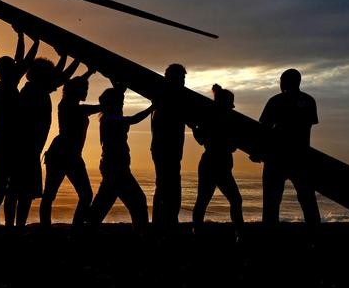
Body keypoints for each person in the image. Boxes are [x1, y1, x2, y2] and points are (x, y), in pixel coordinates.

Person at [6, 52, 80, 227]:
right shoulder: (33, 91)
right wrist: (70, 57)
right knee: (18, 192)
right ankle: (12, 228)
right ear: (42, 76)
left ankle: (16, 228)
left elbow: (59, 77)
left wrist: (69, 58)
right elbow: (60, 77)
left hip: (30, 149)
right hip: (24, 148)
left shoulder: (36, 89)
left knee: (23, 193)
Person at [0, 28, 39, 228]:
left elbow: (20, 60)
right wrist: (34, 42)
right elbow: (24, 62)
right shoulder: (5, 86)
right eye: (12, 67)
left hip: (0, 142)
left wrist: (21, 36)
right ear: (7, 71)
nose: (16, 67)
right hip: (1, 143)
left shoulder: (5, 84)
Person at [257, 68, 320, 229]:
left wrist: (258, 152)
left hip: (276, 158)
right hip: (301, 156)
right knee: (308, 200)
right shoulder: (309, 100)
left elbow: (263, 129)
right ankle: (315, 235)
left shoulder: (276, 101)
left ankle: (270, 235)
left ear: (284, 82)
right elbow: (309, 125)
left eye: (281, 81)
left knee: (271, 202)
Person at [39, 68, 100, 226]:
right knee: (50, 195)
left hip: (72, 155)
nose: (86, 92)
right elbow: (86, 103)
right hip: (61, 154)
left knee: (85, 194)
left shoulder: (71, 104)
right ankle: (47, 228)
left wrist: (89, 73)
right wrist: (107, 104)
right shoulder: (67, 106)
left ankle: (76, 227)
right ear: (76, 91)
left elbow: (75, 84)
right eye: (84, 89)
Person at [90, 85, 153, 231]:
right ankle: (142, 234)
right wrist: (152, 108)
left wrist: (120, 89)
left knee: (102, 205)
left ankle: (83, 231)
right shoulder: (110, 119)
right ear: (113, 103)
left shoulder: (109, 117)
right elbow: (134, 119)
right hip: (116, 168)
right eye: (120, 102)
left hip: (115, 167)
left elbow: (118, 99)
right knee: (138, 201)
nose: (122, 104)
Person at [191, 84, 245, 240]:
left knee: (203, 200)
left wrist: (194, 127)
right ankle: (239, 234)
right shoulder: (228, 120)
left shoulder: (209, 117)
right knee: (234, 200)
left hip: (210, 162)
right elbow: (233, 146)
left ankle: (197, 231)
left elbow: (200, 139)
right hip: (218, 164)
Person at [150, 63, 187, 227]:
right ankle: (165, 223)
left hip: (169, 151)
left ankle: (165, 222)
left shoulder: (166, 97)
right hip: (165, 151)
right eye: (181, 78)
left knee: (166, 188)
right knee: (168, 188)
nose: (183, 82)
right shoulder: (168, 98)